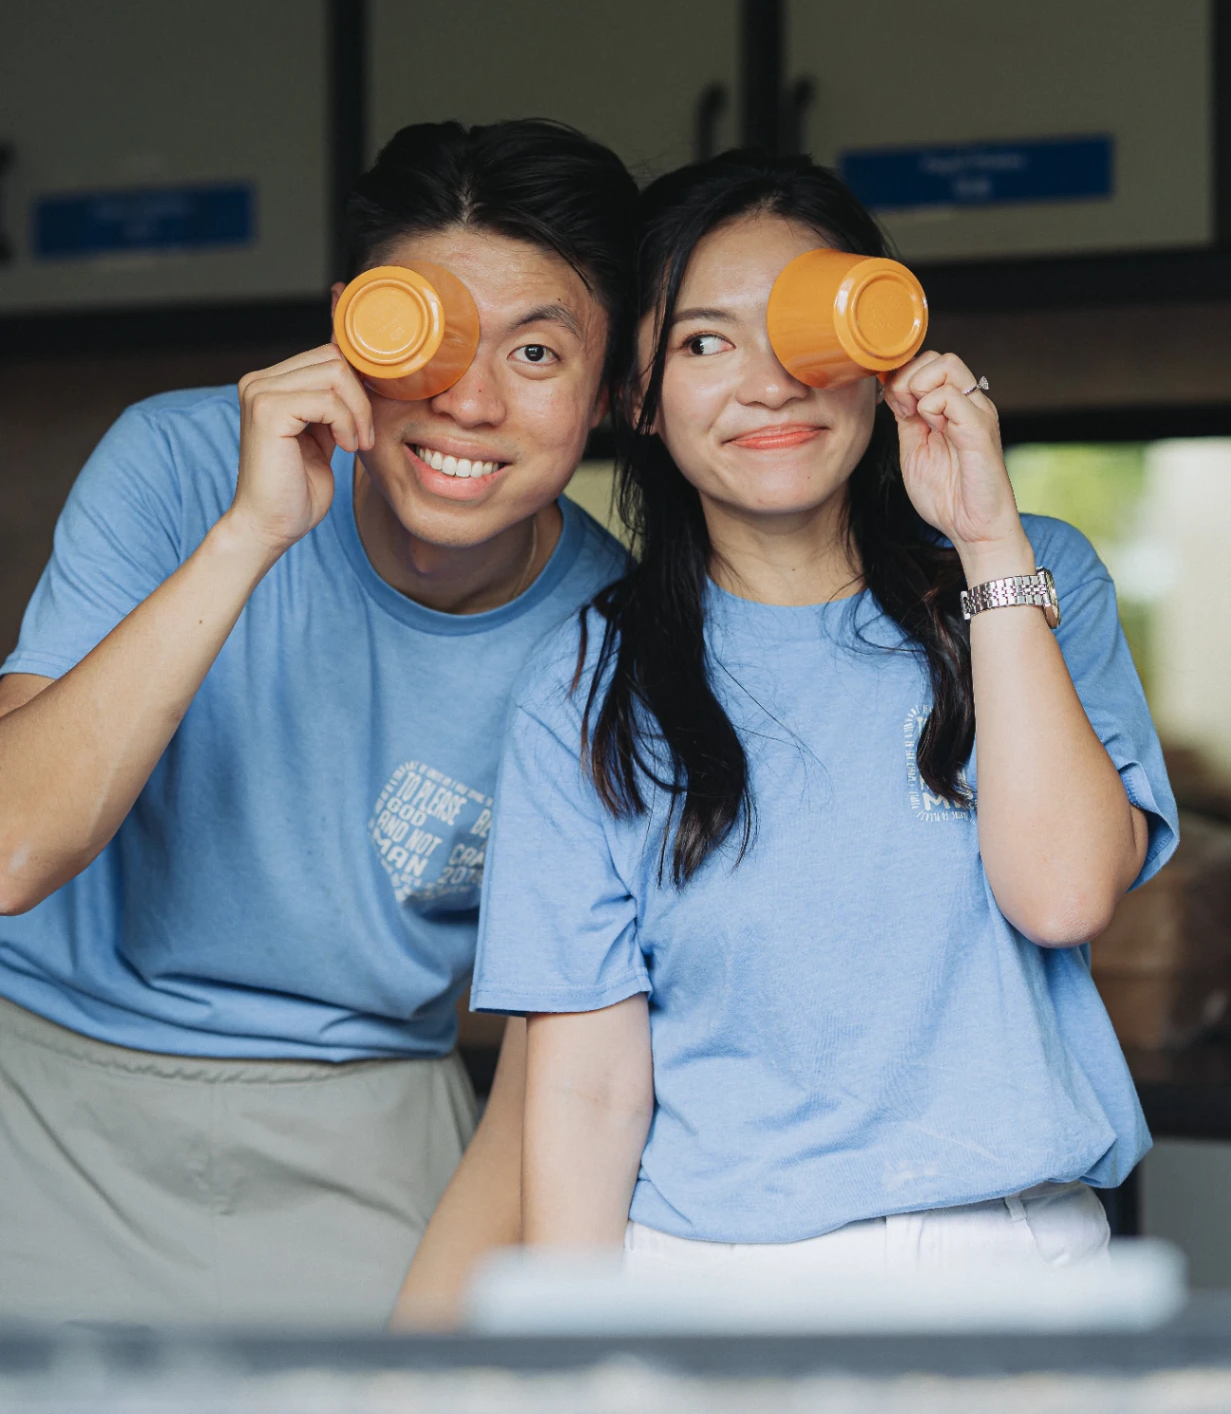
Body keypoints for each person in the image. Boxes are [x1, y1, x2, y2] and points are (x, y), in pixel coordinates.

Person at [471, 151, 1178, 1275]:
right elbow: (588, 1087)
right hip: (712, 1280)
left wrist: (988, 539)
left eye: (806, 328)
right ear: (637, 397)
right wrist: (579, 1362)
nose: (770, 382)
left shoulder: (1037, 577)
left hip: (1015, 1267)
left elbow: (1062, 893)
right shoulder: (588, 682)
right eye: (705, 340)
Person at [0, 119, 634, 1325]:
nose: (471, 399)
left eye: (540, 352)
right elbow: (12, 849)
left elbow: (572, 1042)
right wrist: (248, 535)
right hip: (42, 1092)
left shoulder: (615, 634)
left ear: (609, 391)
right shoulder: (178, 461)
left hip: (365, 1121)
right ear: (354, 324)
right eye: (431, 333)